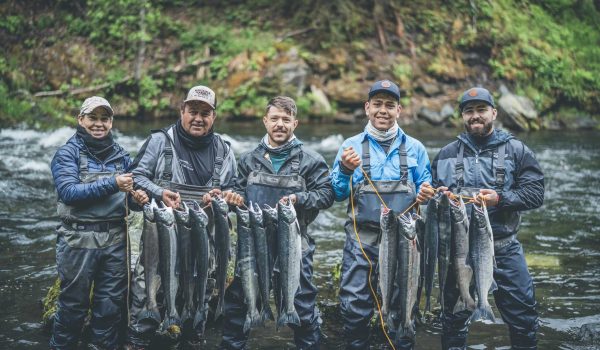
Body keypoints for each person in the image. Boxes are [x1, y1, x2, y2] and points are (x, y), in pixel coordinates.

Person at [125, 85, 243, 350]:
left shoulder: (224, 150)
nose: (198, 118)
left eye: (205, 113)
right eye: (193, 111)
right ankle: (137, 341)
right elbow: (136, 178)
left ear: (214, 117)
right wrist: (158, 191)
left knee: (195, 314)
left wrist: (225, 195)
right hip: (159, 244)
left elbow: (235, 190)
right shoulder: (159, 141)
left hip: (203, 248)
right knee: (146, 306)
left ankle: (192, 337)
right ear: (182, 111)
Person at [432, 87, 544, 350]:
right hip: (459, 252)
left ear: (494, 112)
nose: (475, 116)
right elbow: (433, 192)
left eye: (481, 110)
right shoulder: (446, 153)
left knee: (524, 317)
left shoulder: (517, 150)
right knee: (453, 318)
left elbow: (536, 193)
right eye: (469, 111)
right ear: (462, 117)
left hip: (504, 248)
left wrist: (501, 199)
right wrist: (439, 197)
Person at [220, 96, 334, 350]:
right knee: (239, 303)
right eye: (274, 119)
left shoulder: (311, 160)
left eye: (285, 119)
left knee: (302, 304)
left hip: (295, 242)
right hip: (252, 244)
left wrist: (300, 198)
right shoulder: (249, 160)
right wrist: (234, 198)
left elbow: (327, 195)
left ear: (295, 123)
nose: (279, 124)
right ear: (265, 121)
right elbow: (236, 193)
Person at [330, 80, 434, 350]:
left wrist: (426, 194)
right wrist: (343, 170)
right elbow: (337, 194)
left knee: (405, 302)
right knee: (354, 304)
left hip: (405, 240)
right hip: (361, 240)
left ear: (399, 110)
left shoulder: (416, 148)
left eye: (390, 105)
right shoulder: (349, 147)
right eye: (377, 104)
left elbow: (427, 188)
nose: (383, 110)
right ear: (367, 108)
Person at [50, 96, 149, 350]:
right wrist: (113, 183)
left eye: (104, 119)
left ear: (111, 122)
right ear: (80, 120)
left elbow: (131, 194)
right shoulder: (66, 154)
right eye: (92, 118)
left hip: (116, 241)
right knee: (73, 309)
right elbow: (69, 193)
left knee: (109, 310)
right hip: (78, 241)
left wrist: (137, 198)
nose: (99, 124)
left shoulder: (121, 155)